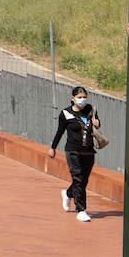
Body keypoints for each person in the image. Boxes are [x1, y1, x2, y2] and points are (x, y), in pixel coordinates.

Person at [49, 86, 101, 222]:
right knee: (78, 178)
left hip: (88, 150)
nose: (82, 100)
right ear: (73, 98)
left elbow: (97, 124)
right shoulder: (66, 113)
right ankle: (81, 210)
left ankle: (67, 193)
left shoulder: (91, 109)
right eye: (79, 97)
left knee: (84, 179)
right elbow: (60, 131)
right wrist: (53, 147)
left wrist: (97, 123)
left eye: (84, 97)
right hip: (73, 150)